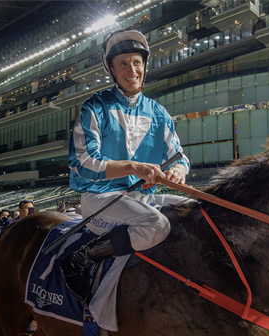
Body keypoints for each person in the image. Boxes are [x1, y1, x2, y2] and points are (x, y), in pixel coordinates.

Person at [64, 29, 190, 303]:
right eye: (122, 63)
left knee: (194, 210)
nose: (131, 69)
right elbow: (83, 163)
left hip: (141, 196)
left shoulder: (159, 113)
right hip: (101, 200)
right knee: (156, 226)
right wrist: (133, 167)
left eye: (137, 62)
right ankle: (81, 257)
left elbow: (179, 156)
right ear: (111, 69)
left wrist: (178, 170)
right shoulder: (94, 107)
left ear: (145, 67)